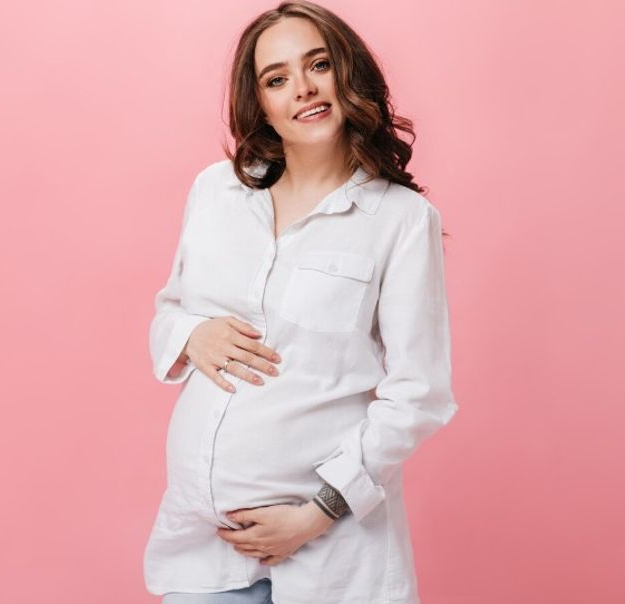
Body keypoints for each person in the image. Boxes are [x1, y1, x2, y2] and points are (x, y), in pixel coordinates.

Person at [144, 2, 457, 602]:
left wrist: (317, 513)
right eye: (276, 78)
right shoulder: (216, 191)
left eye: (319, 65)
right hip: (205, 551)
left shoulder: (400, 220)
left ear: (348, 73)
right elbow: (170, 310)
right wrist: (191, 333)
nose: (303, 89)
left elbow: (419, 394)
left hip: (331, 557)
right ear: (259, 103)